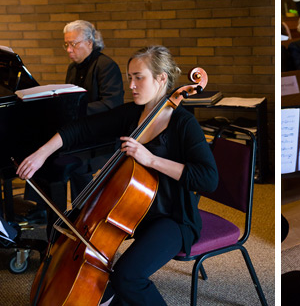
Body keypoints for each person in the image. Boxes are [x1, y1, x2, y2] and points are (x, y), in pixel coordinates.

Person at [17, 45, 219, 306]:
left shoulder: (183, 123)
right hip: (133, 214)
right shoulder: (132, 113)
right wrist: (41, 153)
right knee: (111, 280)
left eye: (139, 77)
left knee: (126, 277)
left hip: (173, 219)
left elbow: (208, 179)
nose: (132, 85)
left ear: (161, 79)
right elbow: (81, 129)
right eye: (129, 78)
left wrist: (151, 159)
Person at [62, 20, 125, 199]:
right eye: (66, 44)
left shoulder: (106, 65)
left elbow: (111, 104)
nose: (68, 50)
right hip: (82, 130)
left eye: (73, 44)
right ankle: (42, 209)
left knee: (76, 164)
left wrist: (75, 113)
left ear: (90, 42)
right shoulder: (72, 68)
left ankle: (84, 209)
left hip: (101, 135)